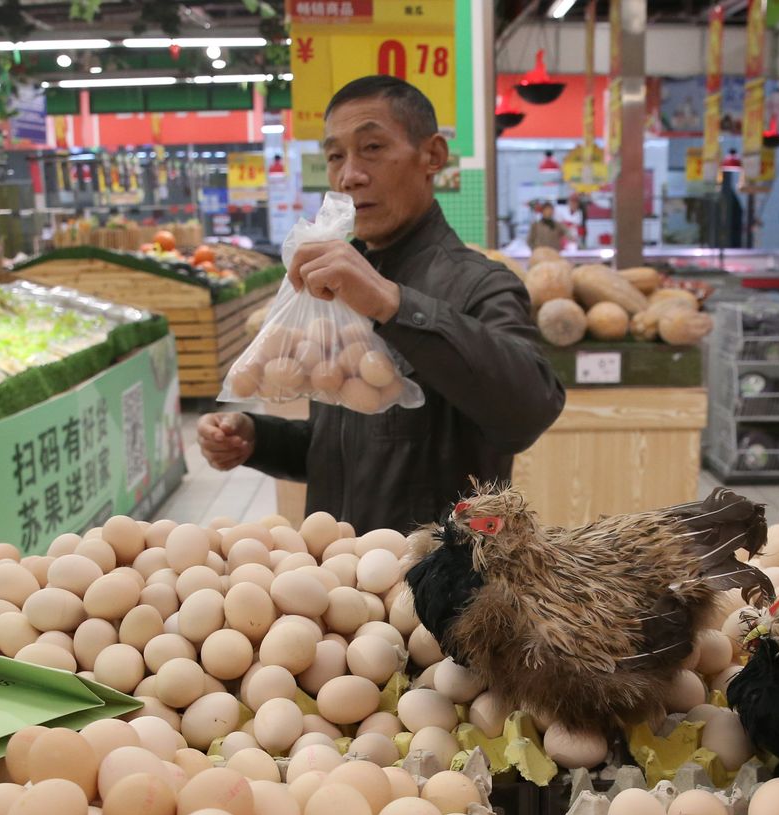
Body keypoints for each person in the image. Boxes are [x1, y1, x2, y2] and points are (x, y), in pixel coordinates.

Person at [198, 76, 566, 533]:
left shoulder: (480, 283)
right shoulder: (335, 292)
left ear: (432, 156)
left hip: (439, 589)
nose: (349, 174)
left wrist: (394, 304)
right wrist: (257, 439)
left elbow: (530, 409)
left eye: (371, 147)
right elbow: (347, 446)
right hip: (340, 583)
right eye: (336, 156)